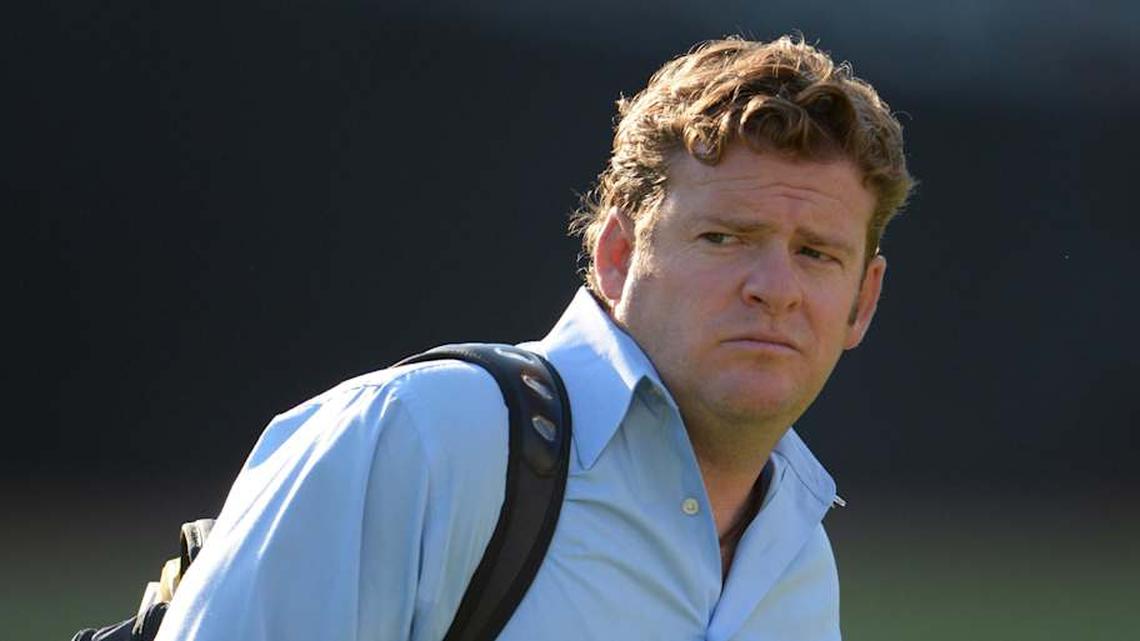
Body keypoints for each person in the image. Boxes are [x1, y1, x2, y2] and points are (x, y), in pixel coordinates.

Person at [156, 35, 913, 641]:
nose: (775, 287)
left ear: (862, 299)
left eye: (817, 253)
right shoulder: (423, 439)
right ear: (617, 256)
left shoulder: (797, 563)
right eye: (725, 237)